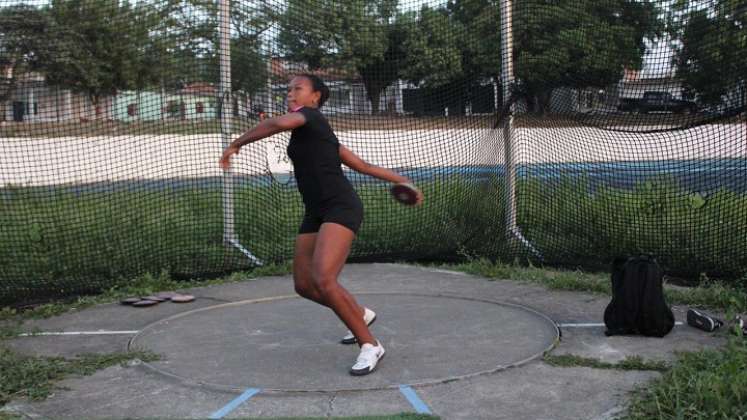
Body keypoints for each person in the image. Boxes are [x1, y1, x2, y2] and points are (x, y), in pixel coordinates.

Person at [219, 74, 423, 376]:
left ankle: (370, 345)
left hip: (340, 206)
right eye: (289, 90)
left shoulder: (309, 117)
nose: (290, 94)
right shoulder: (317, 132)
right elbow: (362, 165)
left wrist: (235, 144)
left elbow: (276, 124)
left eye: (297, 89)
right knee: (304, 285)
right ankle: (360, 315)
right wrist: (403, 181)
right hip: (315, 211)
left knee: (324, 279)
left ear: (315, 97)